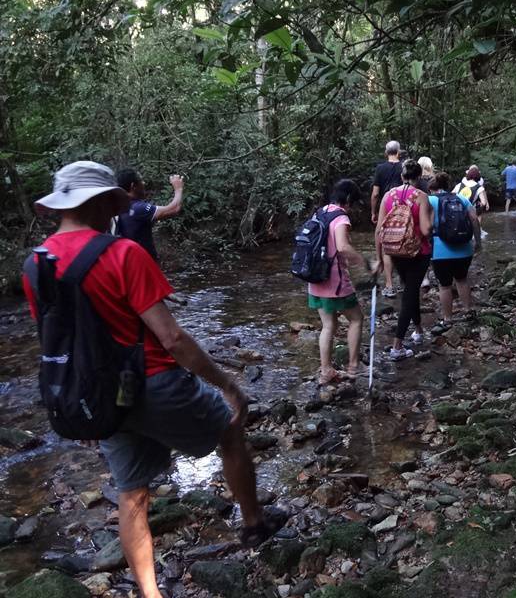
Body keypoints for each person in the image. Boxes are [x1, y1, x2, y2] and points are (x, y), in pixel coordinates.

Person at [23, 161, 275, 598]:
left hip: (98, 395)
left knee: (131, 493)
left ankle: (149, 592)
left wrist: (81, 407)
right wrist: (226, 384)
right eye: (113, 202)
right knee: (230, 430)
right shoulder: (122, 253)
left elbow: (56, 342)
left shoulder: (35, 265)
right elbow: (172, 338)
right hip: (154, 382)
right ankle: (254, 525)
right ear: (99, 202)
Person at [308, 180, 370, 384]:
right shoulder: (341, 217)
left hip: (316, 277)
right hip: (335, 281)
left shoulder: (320, 211)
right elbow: (342, 247)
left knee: (328, 325)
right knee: (356, 319)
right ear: (348, 199)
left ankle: (326, 370)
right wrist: (366, 263)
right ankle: (353, 367)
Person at [375, 160, 433, 361]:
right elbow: (425, 230)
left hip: (395, 252)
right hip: (419, 253)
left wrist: (380, 258)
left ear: (401, 176)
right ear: (418, 178)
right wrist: (431, 222)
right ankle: (397, 345)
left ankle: (418, 330)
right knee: (409, 294)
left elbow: (379, 230)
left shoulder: (388, 196)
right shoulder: (421, 197)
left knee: (410, 290)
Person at [429, 172, 481, 327]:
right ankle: (468, 311)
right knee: (462, 279)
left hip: (440, 250)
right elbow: (474, 219)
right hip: (464, 248)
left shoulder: (430, 200)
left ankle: (447, 319)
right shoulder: (461, 198)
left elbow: (425, 225)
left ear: (432, 188)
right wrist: (478, 242)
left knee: (444, 285)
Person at [116, 168, 184, 262]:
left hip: (127, 262)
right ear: (133, 186)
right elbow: (174, 208)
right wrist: (178, 188)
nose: (143, 183)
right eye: (141, 181)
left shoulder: (117, 206)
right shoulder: (138, 209)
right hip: (143, 265)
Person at [370, 141, 404, 297]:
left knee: (386, 247)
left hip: (386, 207)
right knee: (405, 241)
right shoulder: (404, 167)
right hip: (404, 208)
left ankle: (389, 285)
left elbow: (376, 193)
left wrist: (374, 212)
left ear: (386, 152)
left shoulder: (380, 168)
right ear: (398, 152)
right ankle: (405, 282)